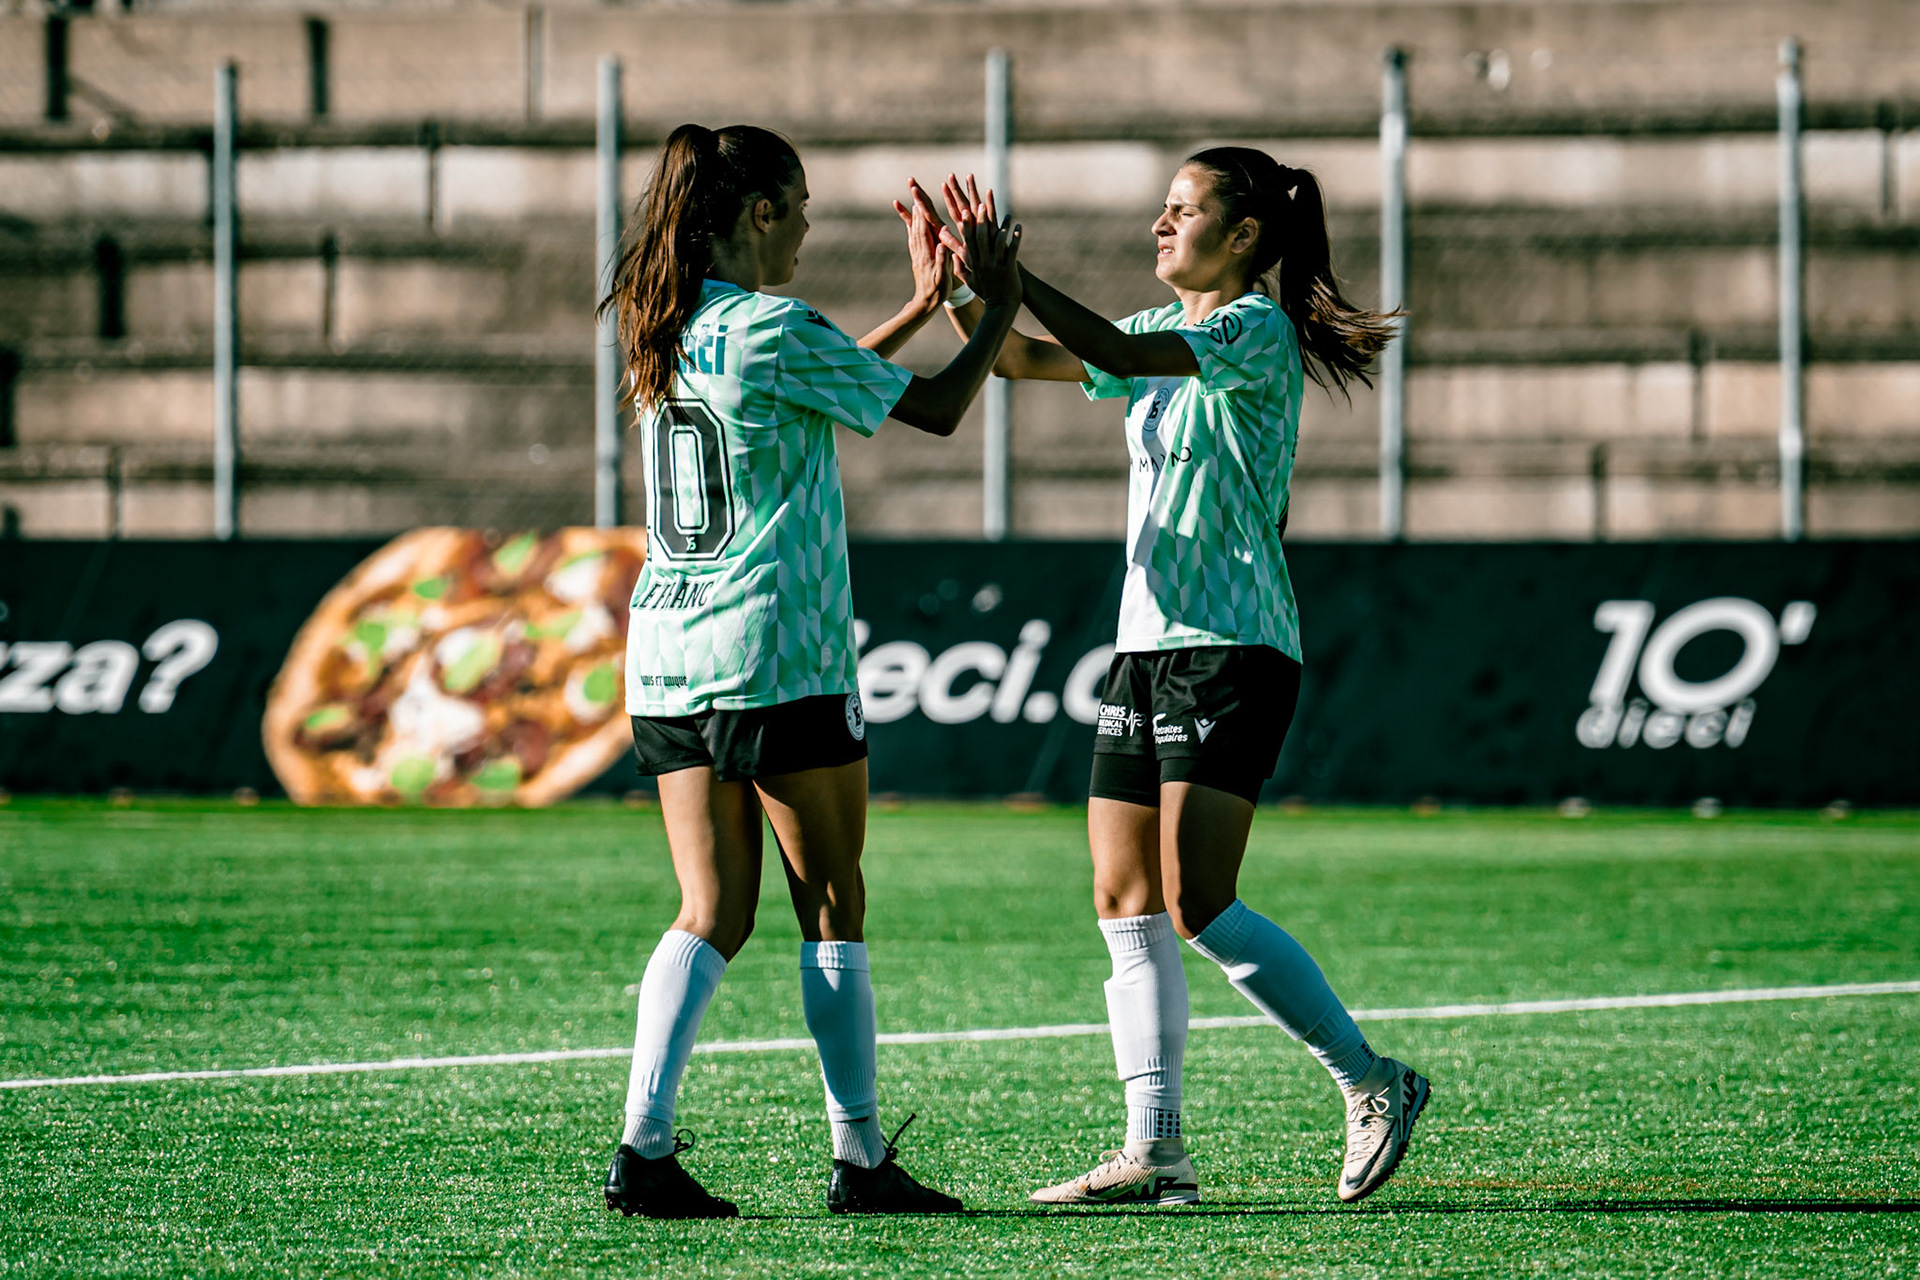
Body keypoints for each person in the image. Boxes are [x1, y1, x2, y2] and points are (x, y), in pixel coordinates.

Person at [917, 151, 1427, 1206]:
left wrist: (1014, 276)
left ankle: (1370, 1078)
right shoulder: (1160, 328)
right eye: (1162, 207)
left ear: (1243, 237)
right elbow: (1015, 360)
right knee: (1124, 897)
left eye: (1183, 210)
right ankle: (1155, 1149)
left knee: (1199, 900)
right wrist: (961, 290)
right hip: (1146, 645)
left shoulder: (1253, 328)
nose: (1160, 224)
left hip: (1231, 644)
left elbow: (1103, 347)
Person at [598, 123, 1022, 1219]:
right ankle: (860, 1158)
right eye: (799, 210)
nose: (804, 232)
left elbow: (811, 385)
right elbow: (935, 410)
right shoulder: (776, 325)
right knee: (832, 902)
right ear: (760, 213)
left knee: (709, 909)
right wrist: (998, 307)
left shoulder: (662, 326)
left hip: (668, 653)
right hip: (776, 649)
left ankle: (644, 1148)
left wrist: (920, 308)